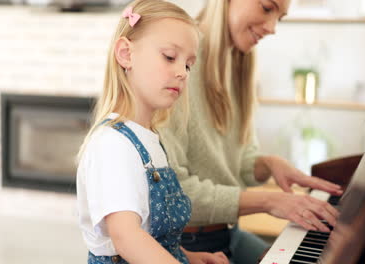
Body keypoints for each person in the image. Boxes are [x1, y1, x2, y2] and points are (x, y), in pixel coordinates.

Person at [158, 0, 343, 263]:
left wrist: (269, 164)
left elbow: (240, 160)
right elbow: (172, 196)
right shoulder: (178, 64)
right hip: (187, 241)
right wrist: (269, 202)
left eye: (280, 17)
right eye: (267, 8)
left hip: (228, 232)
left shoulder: (239, 63)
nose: (272, 28)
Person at [76, 1, 229, 263]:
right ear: (126, 54)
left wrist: (189, 257)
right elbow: (127, 238)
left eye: (189, 65)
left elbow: (154, 238)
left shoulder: (151, 140)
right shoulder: (112, 144)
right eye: (170, 57)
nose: (182, 72)